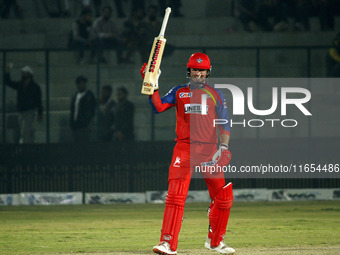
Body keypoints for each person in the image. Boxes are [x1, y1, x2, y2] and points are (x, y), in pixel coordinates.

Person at [140, 53, 234, 254]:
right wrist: (151, 82)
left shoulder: (216, 94)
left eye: (202, 70)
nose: (198, 74)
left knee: (223, 198)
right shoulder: (179, 92)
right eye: (194, 70)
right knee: (175, 196)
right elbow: (158, 106)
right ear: (189, 71)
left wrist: (224, 148)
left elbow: (224, 124)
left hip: (209, 150)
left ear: (207, 72)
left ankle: (216, 242)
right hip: (184, 148)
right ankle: (167, 243)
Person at [4, 64, 43, 144]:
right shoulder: (21, 84)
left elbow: (39, 100)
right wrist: (7, 72)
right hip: (21, 111)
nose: (22, 74)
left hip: (29, 111)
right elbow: (8, 82)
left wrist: (40, 113)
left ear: (29, 74)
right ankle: (27, 146)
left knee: (25, 131)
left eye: (24, 73)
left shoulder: (34, 86)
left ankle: (24, 146)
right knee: (25, 131)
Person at [70, 75, 96, 143]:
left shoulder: (89, 95)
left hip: (84, 126)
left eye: (83, 84)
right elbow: (73, 110)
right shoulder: (76, 95)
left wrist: (87, 122)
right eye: (80, 84)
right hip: (75, 125)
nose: (82, 85)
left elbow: (91, 110)